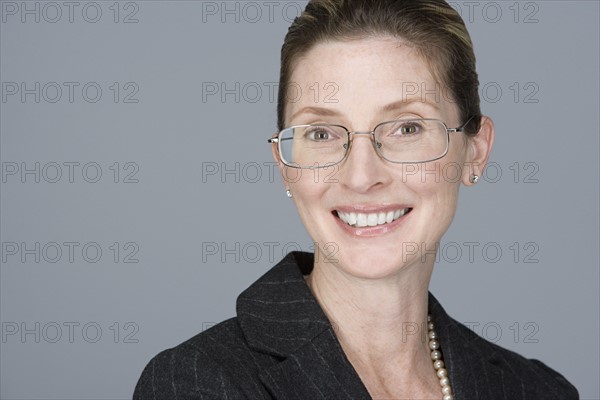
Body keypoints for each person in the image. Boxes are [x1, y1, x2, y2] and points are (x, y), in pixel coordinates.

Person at [134, 0, 579, 398]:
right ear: (284, 163)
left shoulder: (536, 389)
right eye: (322, 134)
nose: (361, 177)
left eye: (407, 128)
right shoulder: (198, 382)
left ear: (474, 152)